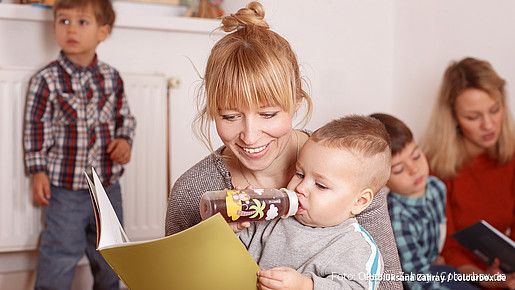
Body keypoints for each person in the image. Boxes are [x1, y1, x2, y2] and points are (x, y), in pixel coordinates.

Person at [165, 2, 403, 289]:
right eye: (230, 116)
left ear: (296, 102)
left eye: (268, 114)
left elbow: (387, 283)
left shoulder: (350, 168)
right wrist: (215, 239)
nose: (250, 137)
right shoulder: (192, 191)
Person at [23, 0, 136, 289]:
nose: (71, 29)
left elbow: (125, 118)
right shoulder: (46, 80)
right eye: (63, 21)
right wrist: (38, 172)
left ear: (103, 31)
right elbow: (36, 129)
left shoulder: (112, 78)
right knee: (59, 255)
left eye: (82, 22)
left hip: (107, 189)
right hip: (66, 191)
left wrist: (124, 141)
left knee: (112, 257)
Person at [237, 115, 388, 290]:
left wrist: (305, 286)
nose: (300, 188)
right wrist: (235, 223)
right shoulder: (273, 215)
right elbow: (231, 250)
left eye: (321, 185)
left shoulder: (356, 247)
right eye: (299, 174)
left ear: (359, 201)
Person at [422, 57, 515, 289]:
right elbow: (447, 249)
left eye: (494, 110)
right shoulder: (433, 167)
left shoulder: (511, 159)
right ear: (452, 118)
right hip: (462, 276)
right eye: (473, 117)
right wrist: (486, 279)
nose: (488, 125)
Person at [372, 113, 479, 290]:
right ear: (382, 179)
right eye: (399, 169)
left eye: (416, 156)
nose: (414, 169)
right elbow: (416, 279)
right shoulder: (398, 217)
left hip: (433, 268)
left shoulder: (437, 187)